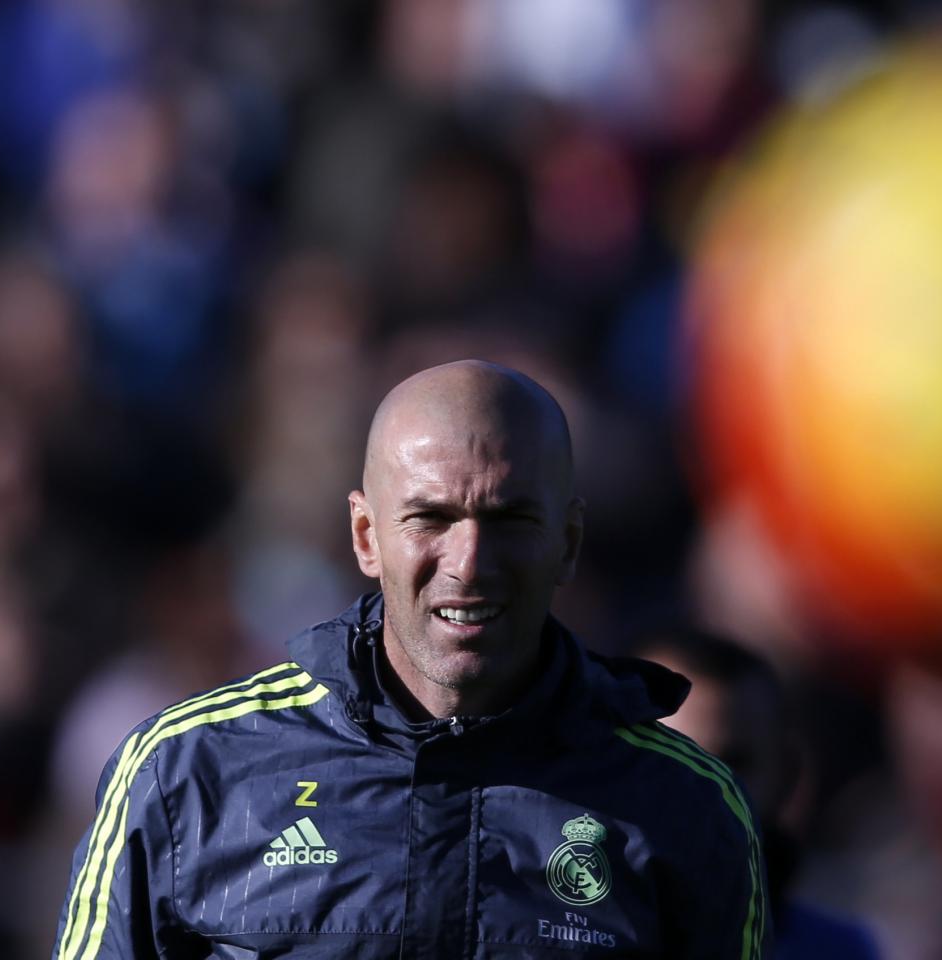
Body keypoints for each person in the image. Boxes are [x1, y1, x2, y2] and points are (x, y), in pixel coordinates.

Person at [50, 360, 771, 959]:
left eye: (510, 519)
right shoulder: (186, 774)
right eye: (431, 518)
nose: (470, 563)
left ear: (569, 542)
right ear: (367, 535)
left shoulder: (687, 806)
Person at [638, 628, 879, 960]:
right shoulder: (566, 937)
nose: (703, 790)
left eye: (733, 764)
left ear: (787, 778)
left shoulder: (840, 952)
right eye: (672, 759)